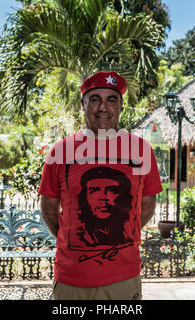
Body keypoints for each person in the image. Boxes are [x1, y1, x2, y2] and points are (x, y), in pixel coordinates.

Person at [38, 71, 163, 300]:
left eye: (111, 100)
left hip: (123, 278)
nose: (103, 107)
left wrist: (123, 232)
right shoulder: (60, 152)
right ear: (83, 104)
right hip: (71, 278)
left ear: (120, 106)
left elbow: (146, 204)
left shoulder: (141, 151)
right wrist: (70, 238)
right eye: (95, 99)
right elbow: (48, 207)